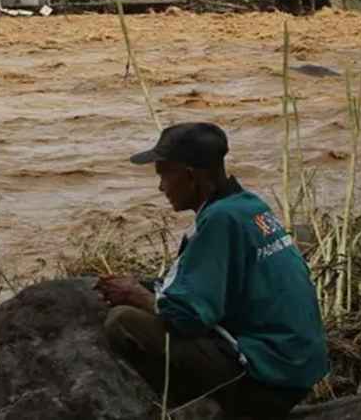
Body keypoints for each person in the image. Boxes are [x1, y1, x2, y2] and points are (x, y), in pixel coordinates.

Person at [96, 122, 329, 419]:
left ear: (190, 176)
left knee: (124, 322)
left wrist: (134, 294)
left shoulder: (220, 221)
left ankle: (208, 409)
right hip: (296, 369)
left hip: (269, 379)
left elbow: (187, 317)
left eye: (164, 175)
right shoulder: (246, 205)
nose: (161, 187)